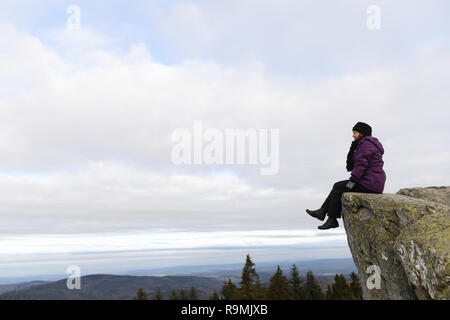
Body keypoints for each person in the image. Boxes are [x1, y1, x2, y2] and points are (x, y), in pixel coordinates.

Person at [306, 122, 386, 230]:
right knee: (338, 186)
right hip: (370, 181)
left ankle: (330, 218)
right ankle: (325, 214)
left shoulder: (366, 144)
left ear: (362, 133)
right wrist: (352, 149)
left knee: (339, 187)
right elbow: (350, 166)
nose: (353, 135)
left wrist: (353, 180)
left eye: (355, 133)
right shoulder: (363, 144)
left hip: (370, 183)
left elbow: (361, 164)